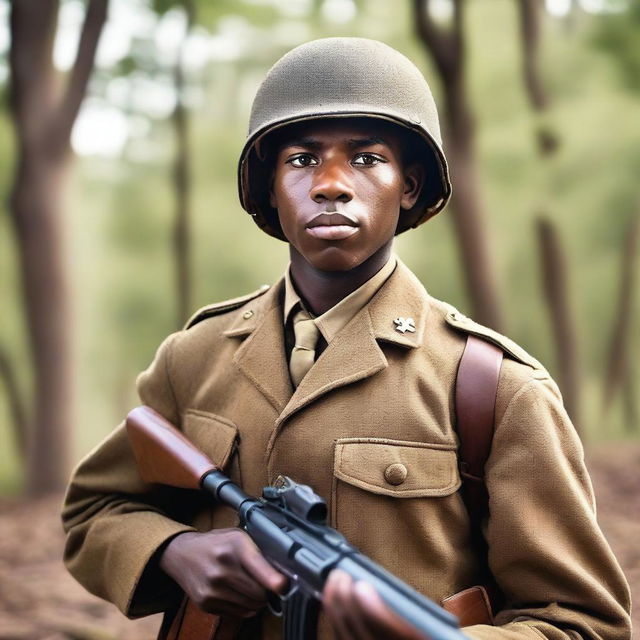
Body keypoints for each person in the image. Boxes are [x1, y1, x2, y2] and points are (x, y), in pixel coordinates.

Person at [62, 38, 631, 639]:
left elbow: (582, 622)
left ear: (408, 187)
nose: (331, 183)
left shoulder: (489, 386)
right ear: (269, 189)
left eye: (365, 159)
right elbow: (93, 512)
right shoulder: (196, 356)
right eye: (302, 160)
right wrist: (174, 550)